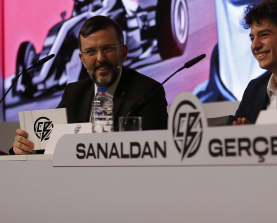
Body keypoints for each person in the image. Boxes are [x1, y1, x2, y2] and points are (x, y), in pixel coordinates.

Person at [12, 16, 168, 154]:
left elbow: (153, 152)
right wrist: (25, 147)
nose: (100, 58)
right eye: (91, 52)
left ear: (123, 53)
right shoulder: (73, 93)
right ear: (83, 60)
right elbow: (47, 144)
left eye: (108, 49)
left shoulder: (148, 93)